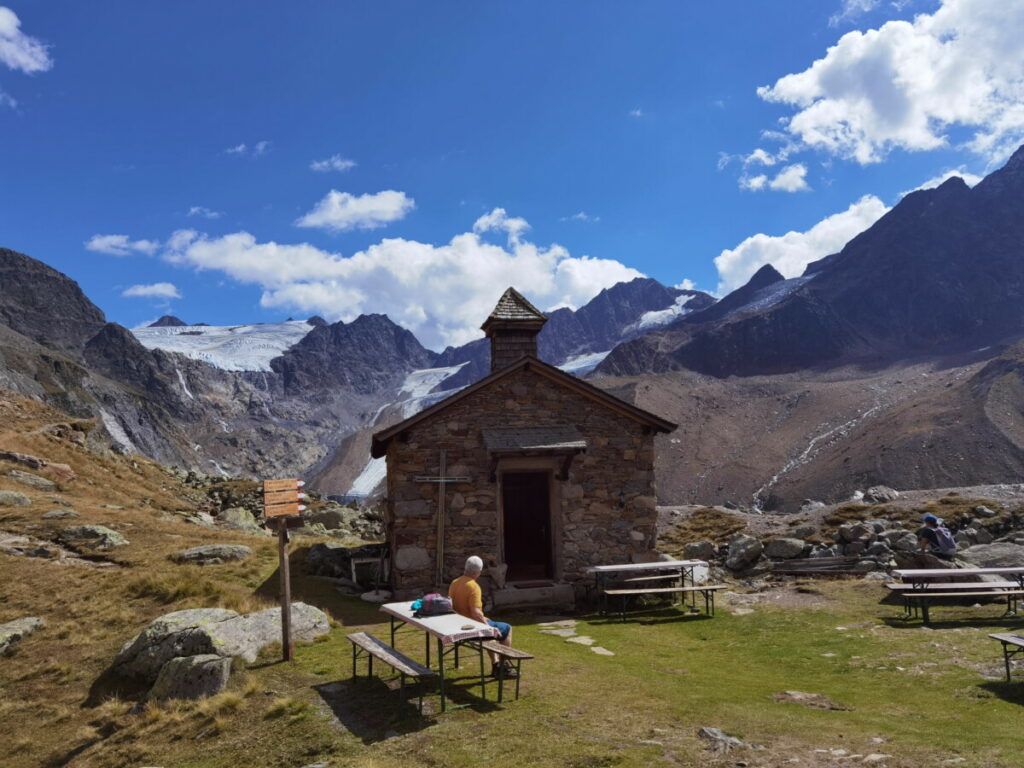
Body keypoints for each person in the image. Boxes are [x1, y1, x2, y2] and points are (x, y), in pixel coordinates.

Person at [449, 555, 517, 678]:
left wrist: (484, 620)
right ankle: (503, 666)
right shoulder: (473, 586)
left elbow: (452, 606)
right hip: (473, 627)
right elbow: (475, 612)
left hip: (458, 624)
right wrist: (487, 626)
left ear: (465, 568)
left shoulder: (455, 583)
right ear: (478, 572)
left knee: (491, 627)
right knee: (506, 628)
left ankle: (496, 664)